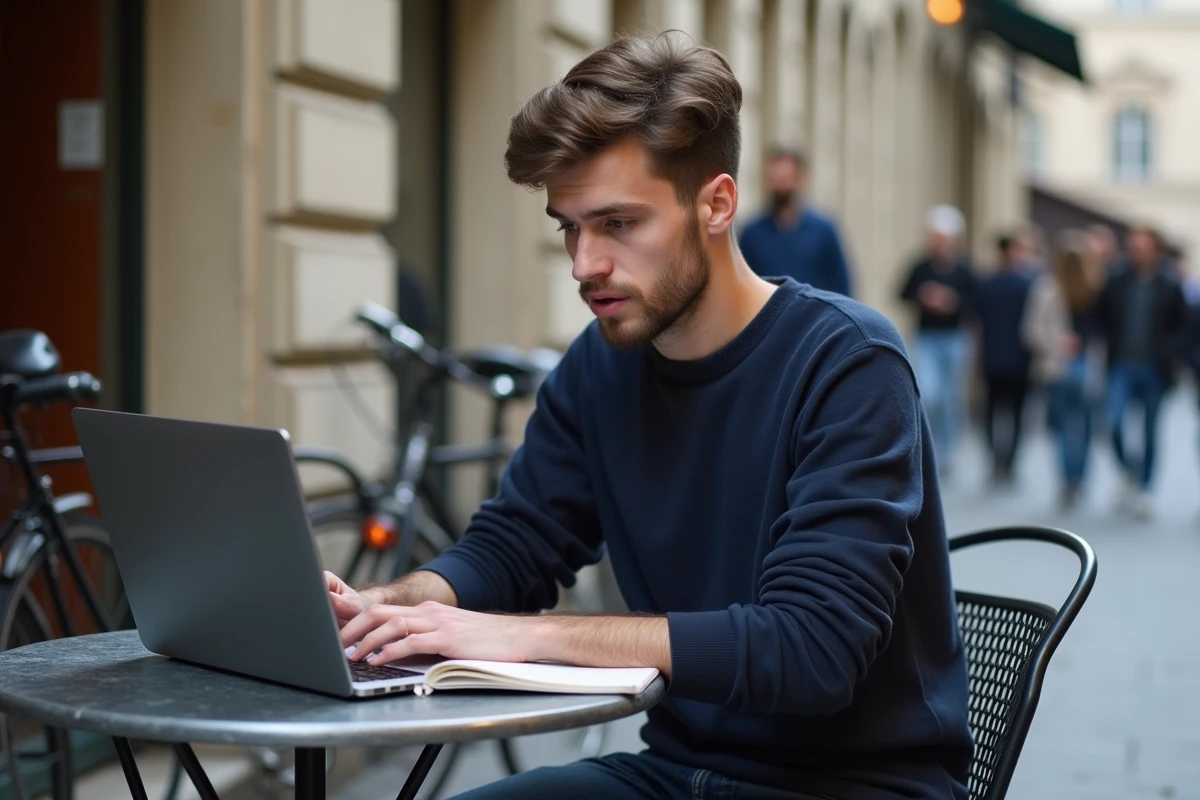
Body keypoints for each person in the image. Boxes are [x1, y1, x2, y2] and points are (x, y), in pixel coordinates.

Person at [326, 32, 971, 800]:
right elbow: (515, 547)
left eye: (618, 224)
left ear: (717, 205)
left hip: (855, 786)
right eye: (569, 226)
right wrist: (390, 610)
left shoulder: (849, 363)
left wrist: (524, 636)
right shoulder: (599, 365)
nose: (583, 263)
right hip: (673, 773)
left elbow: (812, 651)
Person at [1094, 226, 1187, 519]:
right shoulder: (1117, 280)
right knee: (1115, 423)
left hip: (1154, 369)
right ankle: (1130, 471)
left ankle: (1145, 488)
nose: (1137, 251)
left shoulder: (1169, 284)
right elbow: (1101, 317)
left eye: (1143, 246)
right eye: (1133, 246)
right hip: (1121, 365)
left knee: (1149, 430)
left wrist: (1169, 353)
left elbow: (1183, 327)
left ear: (1155, 250)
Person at [1022, 231, 1103, 509]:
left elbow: (1031, 330)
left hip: (1068, 366)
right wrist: (1060, 344)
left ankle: (1069, 481)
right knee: (1081, 427)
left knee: (1064, 428)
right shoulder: (1058, 289)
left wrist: (1053, 344)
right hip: (1066, 366)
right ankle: (1077, 479)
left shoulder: (1054, 288)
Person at [897, 206, 978, 474]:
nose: (938, 242)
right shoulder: (920, 266)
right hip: (927, 337)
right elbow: (901, 293)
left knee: (950, 398)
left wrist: (951, 302)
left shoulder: (964, 269)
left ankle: (946, 452)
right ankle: (927, 447)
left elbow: (976, 303)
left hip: (955, 338)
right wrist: (924, 296)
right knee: (929, 394)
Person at [737, 146, 854, 295]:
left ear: (800, 179)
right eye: (775, 179)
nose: (780, 186)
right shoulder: (751, 233)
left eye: (785, 179)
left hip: (814, 316)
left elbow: (841, 283)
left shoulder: (823, 230)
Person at [976, 232, 1035, 487]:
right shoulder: (1027, 284)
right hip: (1006, 358)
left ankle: (1002, 461)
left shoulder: (990, 283)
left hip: (1007, 359)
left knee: (1000, 413)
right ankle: (1003, 462)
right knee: (1006, 413)